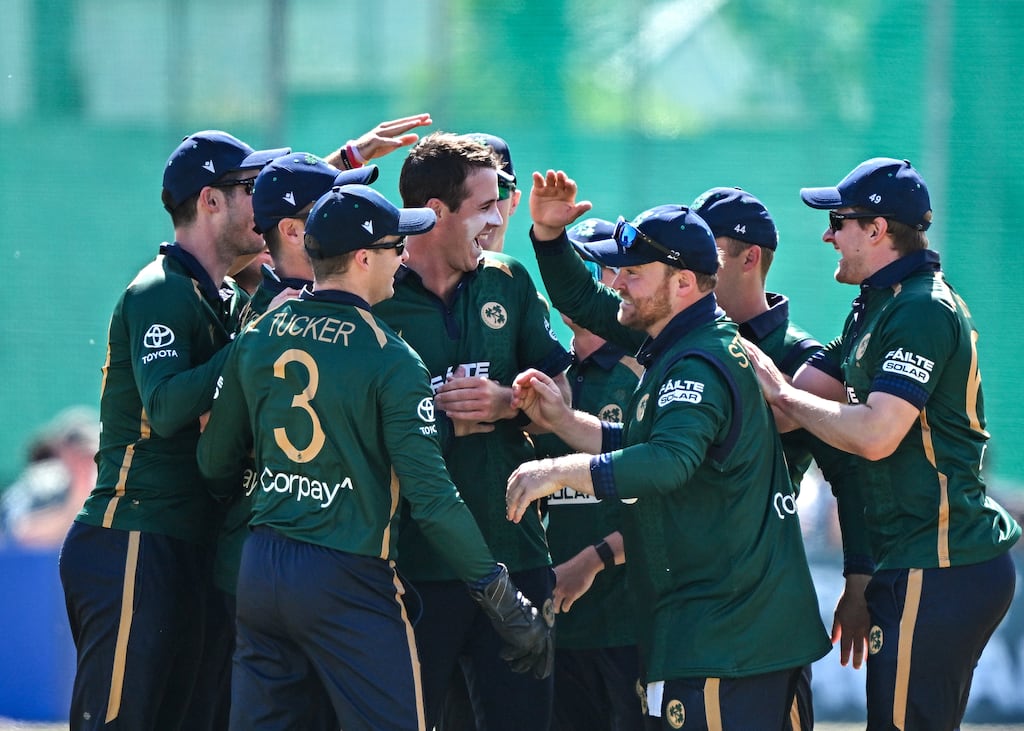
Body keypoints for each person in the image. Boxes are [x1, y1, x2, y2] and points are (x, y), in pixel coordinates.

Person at [196, 183, 553, 730]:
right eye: (394, 247)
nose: (403, 257)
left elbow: (215, 462)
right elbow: (432, 500)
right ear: (363, 258)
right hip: (348, 574)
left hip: (262, 568)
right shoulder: (391, 359)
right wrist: (502, 596)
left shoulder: (260, 333)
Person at [506, 170, 832, 729]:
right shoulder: (683, 343)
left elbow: (666, 463)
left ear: (682, 283)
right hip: (726, 631)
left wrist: (557, 471)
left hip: (727, 635)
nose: (619, 285)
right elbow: (656, 445)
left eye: (632, 274)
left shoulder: (697, 361)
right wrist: (564, 423)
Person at [744, 157, 1021, 730]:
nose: (827, 234)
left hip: (941, 559)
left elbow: (873, 433)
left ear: (876, 230)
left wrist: (783, 394)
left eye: (839, 221)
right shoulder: (877, 303)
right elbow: (796, 406)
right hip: (918, 560)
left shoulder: (921, 307)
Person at [57, 129, 289, 730]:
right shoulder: (160, 291)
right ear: (211, 200)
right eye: (250, 188)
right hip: (134, 539)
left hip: (190, 545)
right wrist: (251, 346)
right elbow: (164, 406)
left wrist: (345, 163)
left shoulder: (224, 294)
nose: (263, 204)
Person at [373, 132, 573, 730]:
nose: (498, 218)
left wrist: (511, 402)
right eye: (486, 206)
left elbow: (564, 399)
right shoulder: (375, 294)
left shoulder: (508, 280)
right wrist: (431, 418)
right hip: (410, 569)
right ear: (435, 213)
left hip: (515, 559)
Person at [538, 218, 645, 731]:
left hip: (630, 622)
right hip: (557, 627)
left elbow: (674, 494)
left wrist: (595, 559)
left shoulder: (643, 377)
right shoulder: (543, 374)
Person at [0, 406, 99, 548]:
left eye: (89, 455)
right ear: (61, 451)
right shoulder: (42, 483)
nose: (84, 461)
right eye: (77, 453)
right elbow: (17, 533)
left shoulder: (110, 485)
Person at [465, 133, 521, 252]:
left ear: (514, 202)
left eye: (498, 191)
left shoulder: (516, 270)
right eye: (468, 192)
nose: (484, 204)